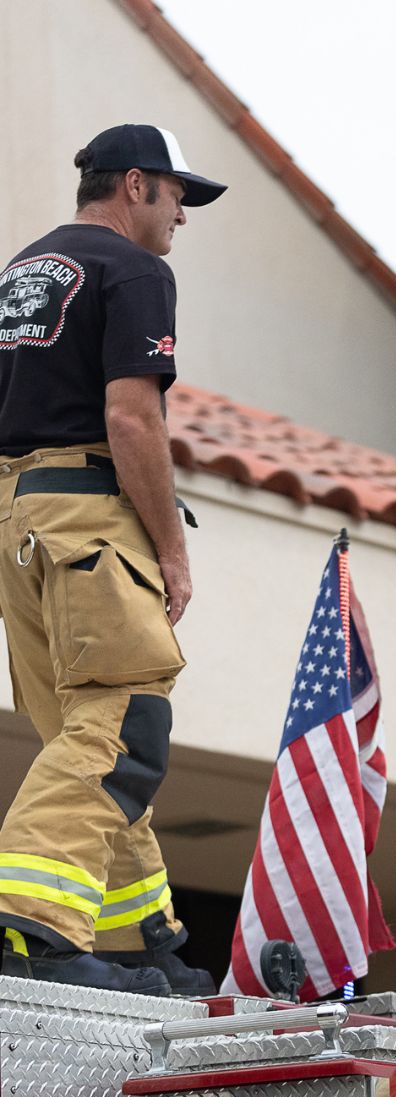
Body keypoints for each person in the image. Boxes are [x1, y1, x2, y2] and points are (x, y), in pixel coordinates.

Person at [0, 125, 228, 997]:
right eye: (177, 195)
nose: (181, 216)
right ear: (134, 186)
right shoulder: (133, 271)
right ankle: (34, 917)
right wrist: (170, 550)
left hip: (18, 523)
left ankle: (144, 941)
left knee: (84, 734)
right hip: (89, 520)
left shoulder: (21, 276)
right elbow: (133, 418)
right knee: (123, 726)